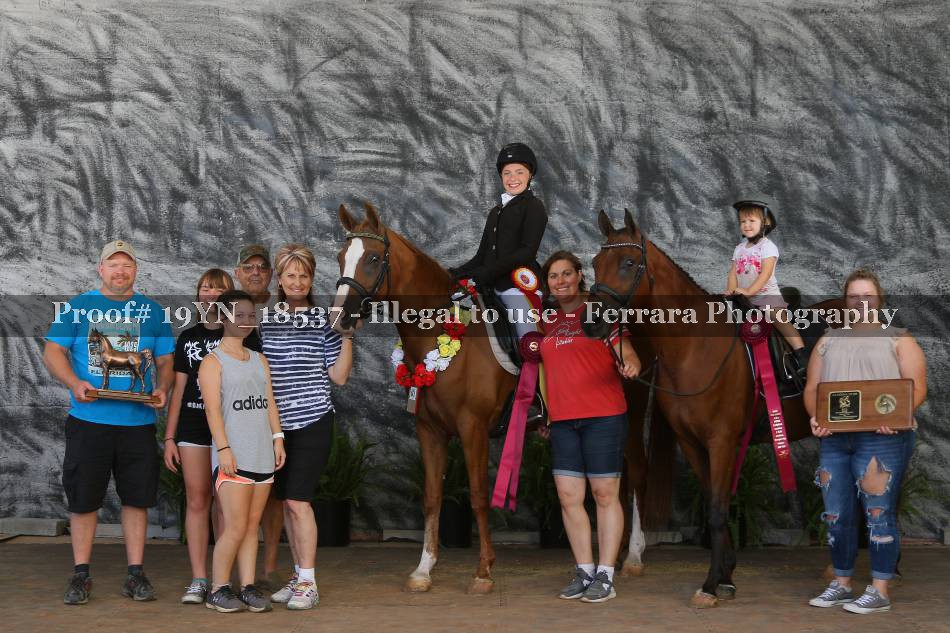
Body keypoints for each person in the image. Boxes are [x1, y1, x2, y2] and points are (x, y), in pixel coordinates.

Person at [44, 240, 175, 605]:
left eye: (126, 265)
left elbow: (165, 361)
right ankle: (80, 574)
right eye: (113, 264)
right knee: (84, 499)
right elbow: (53, 351)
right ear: (100, 269)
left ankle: (135, 574)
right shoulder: (78, 307)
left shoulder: (153, 312)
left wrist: (163, 387)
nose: (120, 271)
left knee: (137, 499)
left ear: (135, 270)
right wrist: (75, 383)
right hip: (89, 421)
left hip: (137, 423)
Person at [804, 269, 927, 614]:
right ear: (846, 302)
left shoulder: (899, 339)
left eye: (867, 296)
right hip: (835, 440)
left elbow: (917, 387)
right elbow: (812, 389)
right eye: (854, 296)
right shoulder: (828, 341)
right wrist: (816, 417)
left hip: (884, 439)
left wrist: (897, 417)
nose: (861, 302)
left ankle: (880, 590)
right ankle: (842, 584)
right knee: (836, 514)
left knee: (878, 513)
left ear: (879, 300)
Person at [537, 251, 640, 603]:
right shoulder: (546, 319)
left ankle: (606, 575)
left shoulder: (600, 312)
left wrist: (630, 365)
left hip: (604, 416)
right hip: (564, 421)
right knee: (569, 497)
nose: (560, 281)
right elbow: (540, 372)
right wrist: (546, 414)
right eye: (553, 276)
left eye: (567, 273)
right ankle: (584, 570)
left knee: (605, 495)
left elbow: (628, 352)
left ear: (580, 275)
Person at [261, 244, 353, 610]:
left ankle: (309, 583)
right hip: (275, 427)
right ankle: (298, 575)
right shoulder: (265, 320)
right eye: (291, 275)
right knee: (287, 504)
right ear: (280, 280)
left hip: (313, 420)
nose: (297, 282)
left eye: (304, 275)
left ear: (311, 279)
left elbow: (339, 377)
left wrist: (347, 336)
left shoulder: (324, 321)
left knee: (299, 502)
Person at [200, 290, 286, 613]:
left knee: (252, 527)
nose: (246, 321)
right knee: (235, 527)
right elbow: (212, 411)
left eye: (251, 315)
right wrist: (223, 448)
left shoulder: (259, 359)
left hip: (262, 454)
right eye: (239, 315)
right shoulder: (213, 362)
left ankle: (248, 586)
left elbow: (270, 402)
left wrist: (278, 439)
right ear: (223, 318)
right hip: (233, 456)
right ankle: (218, 589)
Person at [162, 268, 234, 604]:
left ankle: (222, 580)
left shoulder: (241, 334)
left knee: (223, 502)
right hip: (192, 426)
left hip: (230, 429)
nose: (211, 294)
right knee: (197, 500)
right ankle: (199, 579)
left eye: (219, 289)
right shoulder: (188, 337)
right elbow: (178, 391)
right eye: (206, 288)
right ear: (198, 295)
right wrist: (169, 438)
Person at [449, 142, 548, 340]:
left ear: (530, 175)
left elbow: (526, 252)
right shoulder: (495, 212)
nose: (512, 178)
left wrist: (487, 272)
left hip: (517, 285)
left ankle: (533, 356)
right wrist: (455, 273)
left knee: (526, 332)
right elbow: (481, 256)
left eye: (519, 172)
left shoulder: (534, 206)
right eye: (507, 173)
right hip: (487, 285)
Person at [233, 244, 284, 589]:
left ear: (271, 274)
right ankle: (232, 568)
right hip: (238, 412)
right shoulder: (227, 309)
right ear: (237, 272)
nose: (255, 272)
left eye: (262, 267)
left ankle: (268, 568)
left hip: (276, 409)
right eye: (248, 267)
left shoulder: (283, 308)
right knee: (231, 491)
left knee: (272, 494)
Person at [725, 194, 808, 373]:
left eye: (751, 221)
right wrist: (731, 290)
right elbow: (733, 272)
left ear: (766, 222)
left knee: (779, 318)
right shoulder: (739, 249)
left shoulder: (767, 247)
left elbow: (765, 274)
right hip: (743, 297)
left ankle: (801, 354)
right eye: (743, 221)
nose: (746, 225)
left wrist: (749, 290)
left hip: (766, 296)